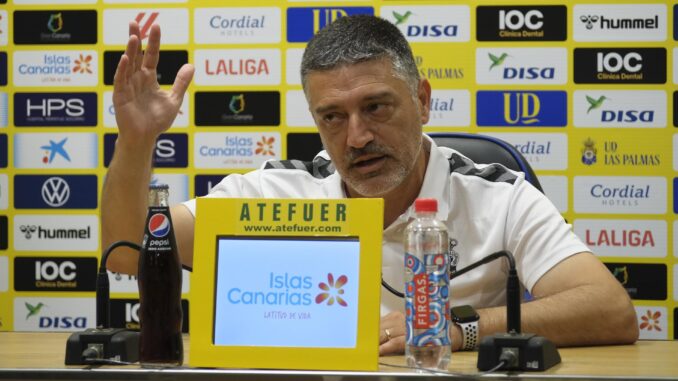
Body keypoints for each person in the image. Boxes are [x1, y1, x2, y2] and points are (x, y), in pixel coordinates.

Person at [103, 15, 638, 355]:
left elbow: (610, 310)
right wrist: (136, 140)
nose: (357, 137)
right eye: (332, 117)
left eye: (376, 107)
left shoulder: (498, 194)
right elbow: (126, 253)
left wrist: (456, 326)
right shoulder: (276, 193)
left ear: (423, 101)